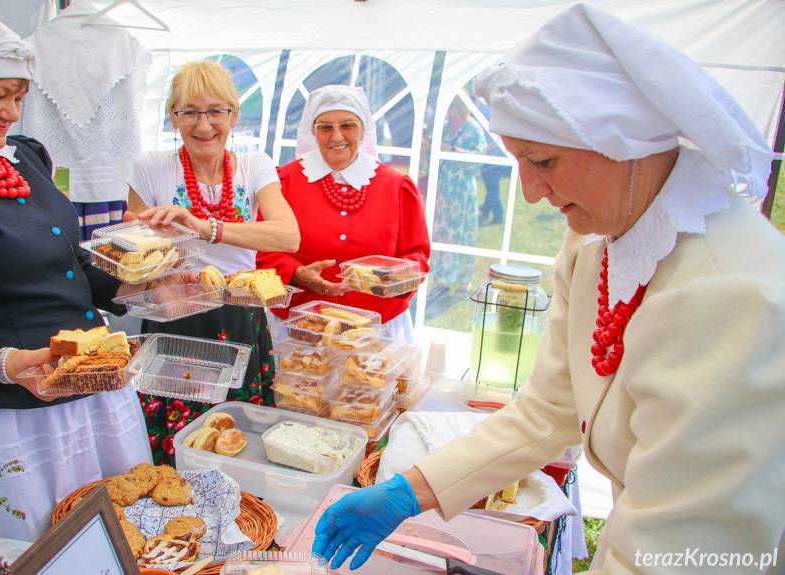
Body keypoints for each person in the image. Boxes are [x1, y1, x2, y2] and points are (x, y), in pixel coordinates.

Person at [312, 5, 785, 573]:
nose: (531, 193)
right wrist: (410, 491)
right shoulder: (595, 240)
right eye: (518, 162)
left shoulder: (731, 295)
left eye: (542, 161)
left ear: (623, 140)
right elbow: (549, 409)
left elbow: (682, 548)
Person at [0, 0, 152, 540]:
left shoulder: (23, 157)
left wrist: (142, 284)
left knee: (117, 542)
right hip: (0, 425)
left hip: (90, 399)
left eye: (19, 97)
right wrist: (8, 365)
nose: (10, 111)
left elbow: (63, 263)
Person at [127, 60, 299, 464]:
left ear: (233, 115)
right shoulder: (150, 167)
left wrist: (205, 228)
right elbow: (130, 253)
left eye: (215, 112)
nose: (203, 125)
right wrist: (152, 242)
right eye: (189, 112)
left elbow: (287, 235)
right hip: (175, 312)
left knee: (235, 436)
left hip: (239, 312)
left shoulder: (256, 165)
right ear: (173, 116)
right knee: (176, 442)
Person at [256, 85, 430, 342]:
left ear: (364, 130)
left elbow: (417, 256)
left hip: (377, 332)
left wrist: (391, 279)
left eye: (348, 125)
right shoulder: (284, 182)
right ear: (312, 132)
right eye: (325, 127)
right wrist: (296, 273)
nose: (336, 136)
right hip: (300, 329)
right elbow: (264, 250)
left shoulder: (396, 186)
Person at [426, 96, 486, 319]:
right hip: (443, 189)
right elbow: (429, 153)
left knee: (461, 234)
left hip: (462, 191)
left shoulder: (473, 130)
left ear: (459, 108)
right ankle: (441, 279)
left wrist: (451, 149)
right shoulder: (442, 127)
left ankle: (462, 282)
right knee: (441, 234)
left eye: (450, 107)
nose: (446, 111)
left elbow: (478, 158)